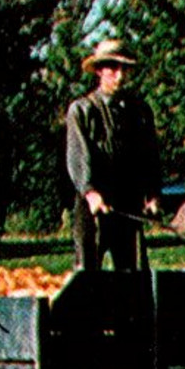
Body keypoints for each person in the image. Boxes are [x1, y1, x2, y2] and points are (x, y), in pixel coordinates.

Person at [64, 39, 162, 271]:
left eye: (124, 69)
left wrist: (153, 194)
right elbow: (78, 156)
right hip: (93, 207)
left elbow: (150, 156)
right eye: (113, 69)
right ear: (99, 70)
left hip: (128, 204)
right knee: (88, 276)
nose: (120, 76)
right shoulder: (82, 110)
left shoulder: (139, 111)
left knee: (132, 276)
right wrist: (90, 192)